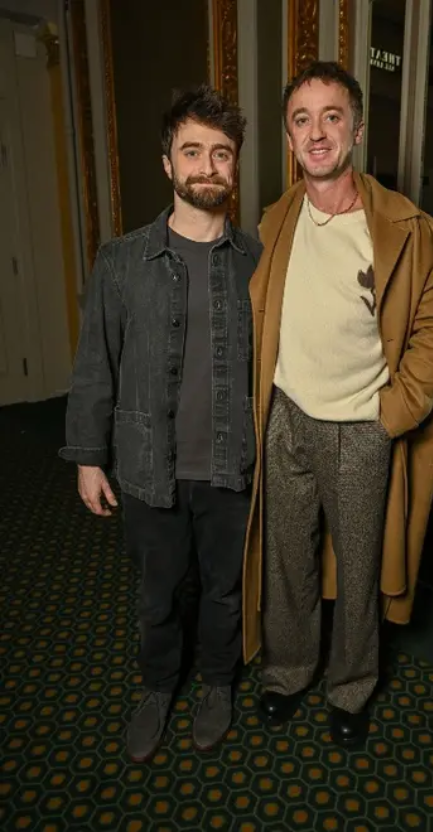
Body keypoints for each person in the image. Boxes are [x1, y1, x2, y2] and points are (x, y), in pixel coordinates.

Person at [241, 61, 433, 748]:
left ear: (357, 129)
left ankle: (351, 687)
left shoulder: (411, 230)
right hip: (286, 415)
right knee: (287, 560)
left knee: (361, 566)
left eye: (331, 116)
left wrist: (391, 414)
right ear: (289, 137)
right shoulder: (274, 221)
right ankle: (287, 672)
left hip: (363, 426)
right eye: (302, 120)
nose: (316, 132)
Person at [60, 85, 261, 761]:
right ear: (168, 163)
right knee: (158, 595)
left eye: (221, 153)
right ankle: (157, 687)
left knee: (225, 592)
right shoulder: (122, 260)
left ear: (235, 165)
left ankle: (218, 684)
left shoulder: (259, 262)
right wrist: (89, 458)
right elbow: (95, 362)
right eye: (192, 151)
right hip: (148, 467)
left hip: (233, 463)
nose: (207, 165)